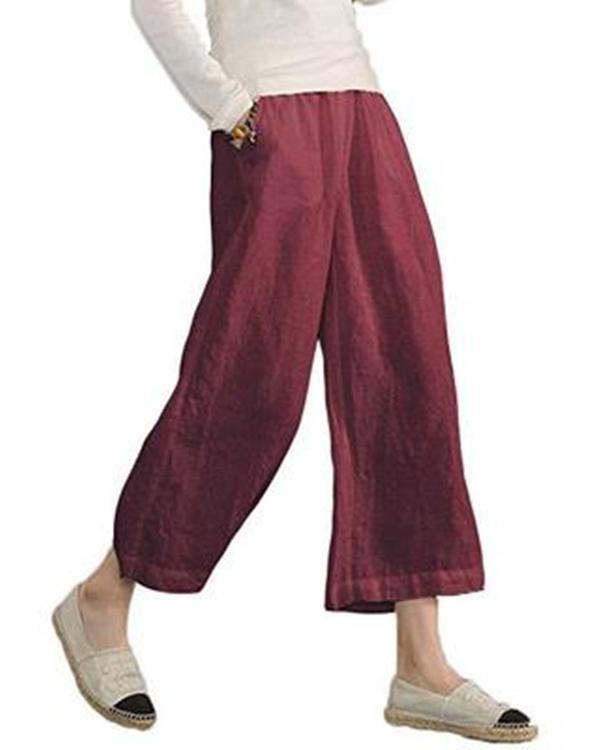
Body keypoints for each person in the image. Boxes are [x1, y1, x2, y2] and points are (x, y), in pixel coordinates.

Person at [51, 0, 538, 742]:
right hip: (269, 116)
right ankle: (103, 596)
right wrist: (226, 107)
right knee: (248, 375)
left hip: (363, 112)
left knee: (408, 368)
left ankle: (421, 661)